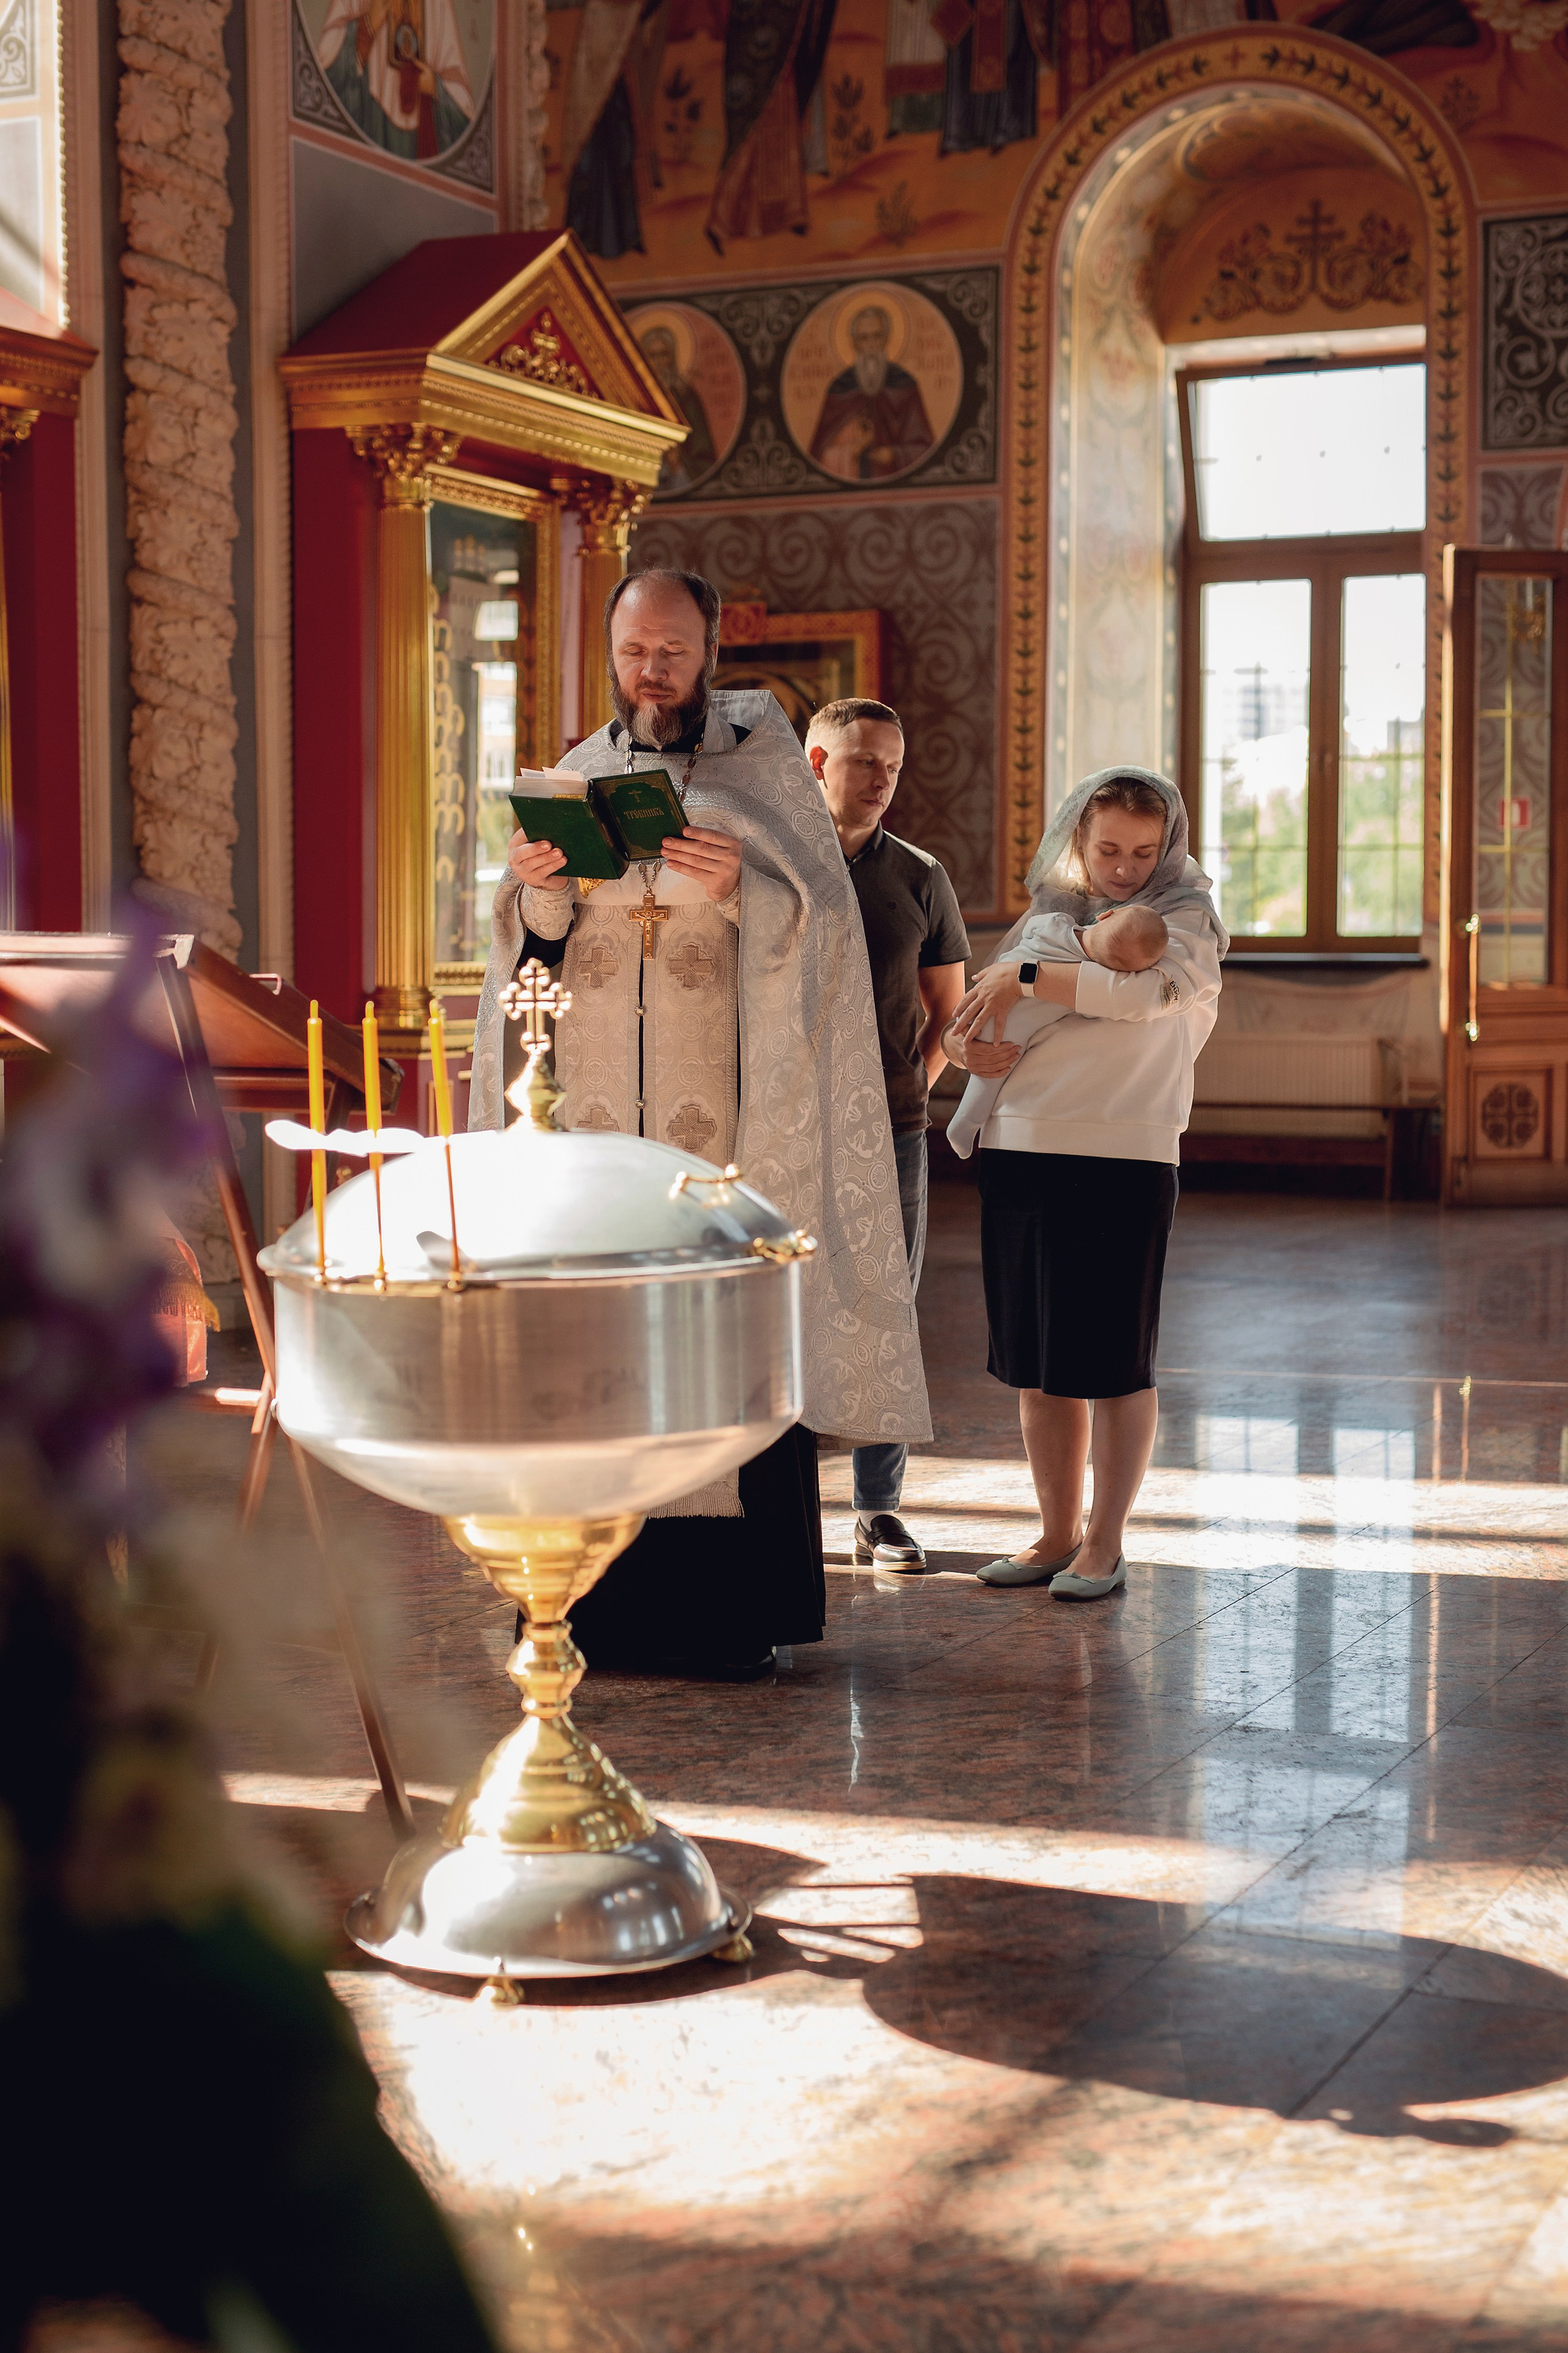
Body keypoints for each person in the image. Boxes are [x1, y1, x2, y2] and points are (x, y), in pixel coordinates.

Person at [469, 569, 930, 1678]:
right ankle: (592, 1613)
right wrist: (536, 892)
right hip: (592, 1138)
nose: (652, 670)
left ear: (711, 650)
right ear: (613, 652)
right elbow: (524, 959)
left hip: (718, 1136)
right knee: (602, 1359)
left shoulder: (765, 774)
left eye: (673, 650)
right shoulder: (578, 778)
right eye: (634, 650)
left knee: (721, 1355)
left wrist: (748, 894)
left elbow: (822, 944)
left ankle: (731, 1617)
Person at [944, 766, 1227, 1600]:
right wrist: (968, 1052)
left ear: (1168, 845)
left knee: (1114, 1363)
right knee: (1036, 1362)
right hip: (1023, 1146)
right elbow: (973, 1017)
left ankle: (1105, 1544)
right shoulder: (1051, 915)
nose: (1123, 868)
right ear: (1079, 837)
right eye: (1107, 848)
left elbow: (1139, 998)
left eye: (1143, 851)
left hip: (1125, 1156)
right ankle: (1054, 1533)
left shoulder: (1189, 920)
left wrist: (1029, 980)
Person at [805, 697, 969, 1570]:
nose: (881, 781)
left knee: (883, 1309)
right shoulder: (774, 866)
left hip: (895, 1128)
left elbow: (950, 1009)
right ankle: (782, 1504)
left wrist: (903, 1091)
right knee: (781, 1306)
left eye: (893, 766)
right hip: (784, 1126)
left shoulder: (920, 875)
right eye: (864, 761)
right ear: (816, 765)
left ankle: (878, 1509)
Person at [944, 904, 1170, 1159]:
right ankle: (964, 1126)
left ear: (1106, 915)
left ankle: (964, 1125)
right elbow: (1092, 1009)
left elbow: (1031, 928)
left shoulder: (1057, 924)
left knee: (986, 1079)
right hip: (1007, 1031)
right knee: (990, 1080)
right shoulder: (1087, 977)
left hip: (984, 998)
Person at [809, 308, 937, 483]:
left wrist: (894, 454)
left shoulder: (904, 384)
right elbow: (818, 455)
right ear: (854, 343)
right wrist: (849, 450)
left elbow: (925, 450)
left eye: (877, 337)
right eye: (864, 338)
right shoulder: (840, 388)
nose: (870, 345)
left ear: (886, 340)